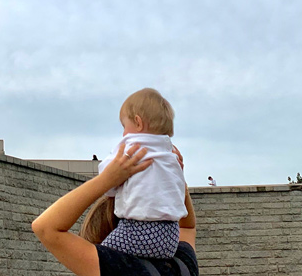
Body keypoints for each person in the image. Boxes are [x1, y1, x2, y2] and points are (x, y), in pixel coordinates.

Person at [32, 143, 198, 276]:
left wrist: (107, 179)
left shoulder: (118, 268)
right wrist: (175, 179)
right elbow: (187, 227)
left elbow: (46, 228)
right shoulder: (183, 265)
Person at [96, 89, 187, 259]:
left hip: (138, 230)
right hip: (171, 237)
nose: (123, 133)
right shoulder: (171, 154)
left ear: (137, 122)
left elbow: (106, 179)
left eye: (124, 126)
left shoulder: (131, 145)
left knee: (100, 258)